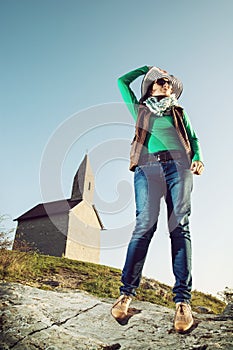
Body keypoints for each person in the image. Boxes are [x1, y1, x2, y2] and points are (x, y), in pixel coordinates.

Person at [111, 65, 204, 333]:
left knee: (179, 227)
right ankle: (126, 294)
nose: (166, 85)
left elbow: (194, 140)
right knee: (144, 225)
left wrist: (196, 158)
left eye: (169, 83)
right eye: (161, 82)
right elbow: (121, 81)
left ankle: (183, 302)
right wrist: (146, 69)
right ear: (150, 87)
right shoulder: (140, 109)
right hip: (147, 168)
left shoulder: (179, 112)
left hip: (178, 167)